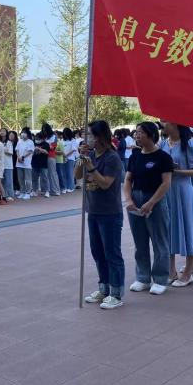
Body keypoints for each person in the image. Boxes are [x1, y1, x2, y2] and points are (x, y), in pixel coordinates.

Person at [76, 120, 125, 309]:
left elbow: (105, 183)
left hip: (110, 213)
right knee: (97, 251)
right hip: (93, 211)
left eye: (89, 134)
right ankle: (103, 288)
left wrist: (91, 168)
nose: (86, 138)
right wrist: (82, 158)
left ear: (100, 137)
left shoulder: (112, 158)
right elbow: (77, 175)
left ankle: (116, 293)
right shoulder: (90, 155)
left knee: (112, 253)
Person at [124, 122, 173, 295]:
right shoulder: (135, 156)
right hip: (136, 199)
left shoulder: (163, 157)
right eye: (136, 133)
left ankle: (160, 278)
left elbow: (166, 183)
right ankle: (142, 277)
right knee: (140, 241)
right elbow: (128, 180)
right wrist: (128, 199)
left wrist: (151, 202)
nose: (136, 136)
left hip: (156, 200)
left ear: (151, 134)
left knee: (159, 241)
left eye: (140, 132)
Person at [159, 123, 193, 287]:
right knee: (167, 230)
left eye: (165, 121)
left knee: (189, 228)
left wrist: (176, 171)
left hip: (183, 191)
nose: (162, 123)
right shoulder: (163, 143)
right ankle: (171, 272)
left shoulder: (189, 143)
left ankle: (188, 273)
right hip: (166, 191)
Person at [42, 123, 62, 196]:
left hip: (51, 156)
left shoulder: (54, 137)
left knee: (53, 173)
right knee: (45, 174)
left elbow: (52, 147)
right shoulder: (44, 137)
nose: (44, 131)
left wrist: (45, 147)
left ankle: (56, 190)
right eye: (43, 129)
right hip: (43, 157)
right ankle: (47, 190)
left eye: (45, 129)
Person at [16, 128, 34, 199]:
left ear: (28, 134)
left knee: (28, 179)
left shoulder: (30, 142)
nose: (23, 134)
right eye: (22, 133)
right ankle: (22, 191)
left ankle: (28, 192)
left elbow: (30, 151)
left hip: (27, 163)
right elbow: (17, 150)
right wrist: (18, 157)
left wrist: (23, 157)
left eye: (25, 133)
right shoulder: (19, 141)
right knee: (20, 179)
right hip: (19, 163)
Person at [32, 131, 51, 197]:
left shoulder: (46, 144)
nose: (37, 140)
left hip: (43, 163)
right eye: (36, 138)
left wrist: (39, 149)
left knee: (44, 178)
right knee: (34, 178)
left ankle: (47, 191)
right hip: (34, 163)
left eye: (38, 138)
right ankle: (34, 190)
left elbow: (46, 152)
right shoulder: (33, 143)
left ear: (42, 139)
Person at [61, 128, 77, 193]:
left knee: (70, 173)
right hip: (63, 158)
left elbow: (73, 149)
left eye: (66, 134)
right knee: (63, 173)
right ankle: (65, 187)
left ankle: (71, 187)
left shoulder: (73, 140)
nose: (65, 135)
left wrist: (66, 155)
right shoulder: (62, 140)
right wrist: (63, 155)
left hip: (70, 159)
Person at [3, 131, 16, 201]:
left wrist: (4, 150)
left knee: (9, 181)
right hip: (1, 164)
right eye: (1, 131)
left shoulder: (9, 143)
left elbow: (11, 153)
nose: (2, 133)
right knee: (3, 181)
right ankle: (4, 194)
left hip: (8, 165)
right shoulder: (0, 143)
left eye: (3, 131)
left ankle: (10, 195)